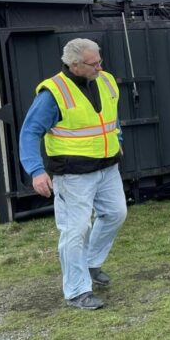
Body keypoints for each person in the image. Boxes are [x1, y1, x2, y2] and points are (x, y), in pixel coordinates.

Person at [19, 38, 127, 310]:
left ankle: (90, 264)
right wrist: (36, 171)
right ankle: (77, 291)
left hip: (107, 167)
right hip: (73, 174)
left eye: (100, 61)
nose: (100, 67)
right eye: (94, 64)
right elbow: (30, 132)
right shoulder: (52, 93)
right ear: (74, 65)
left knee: (116, 214)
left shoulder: (106, 81)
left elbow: (110, 118)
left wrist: (118, 140)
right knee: (75, 230)